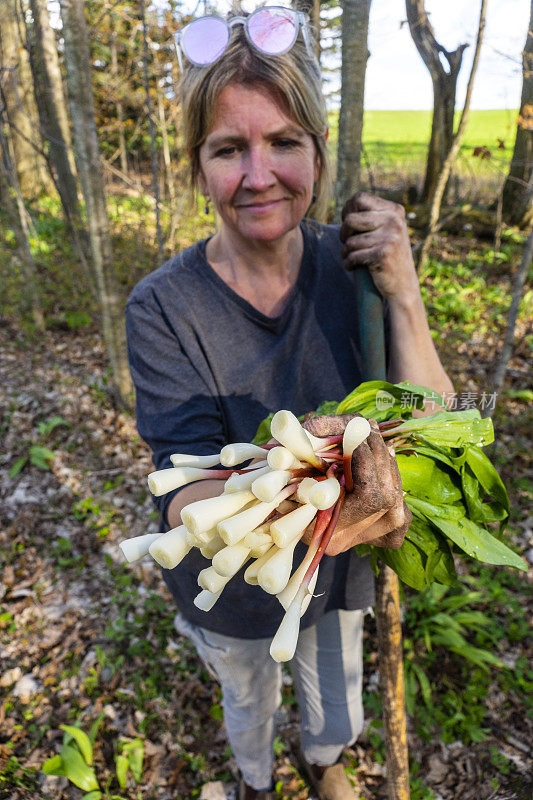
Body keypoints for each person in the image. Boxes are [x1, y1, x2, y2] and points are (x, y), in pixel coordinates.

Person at [125, 7, 454, 799]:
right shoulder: (163, 307)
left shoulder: (358, 272)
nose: (258, 174)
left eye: (283, 142)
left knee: (335, 691)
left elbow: (442, 431)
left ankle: (325, 763)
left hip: (337, 582)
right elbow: (179, 491)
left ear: (316, 147)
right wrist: (298, 491)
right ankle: (254, 778)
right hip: (232, 591)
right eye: (228, 148)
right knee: (247, 697)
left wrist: (403, 295)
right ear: (197, 165)